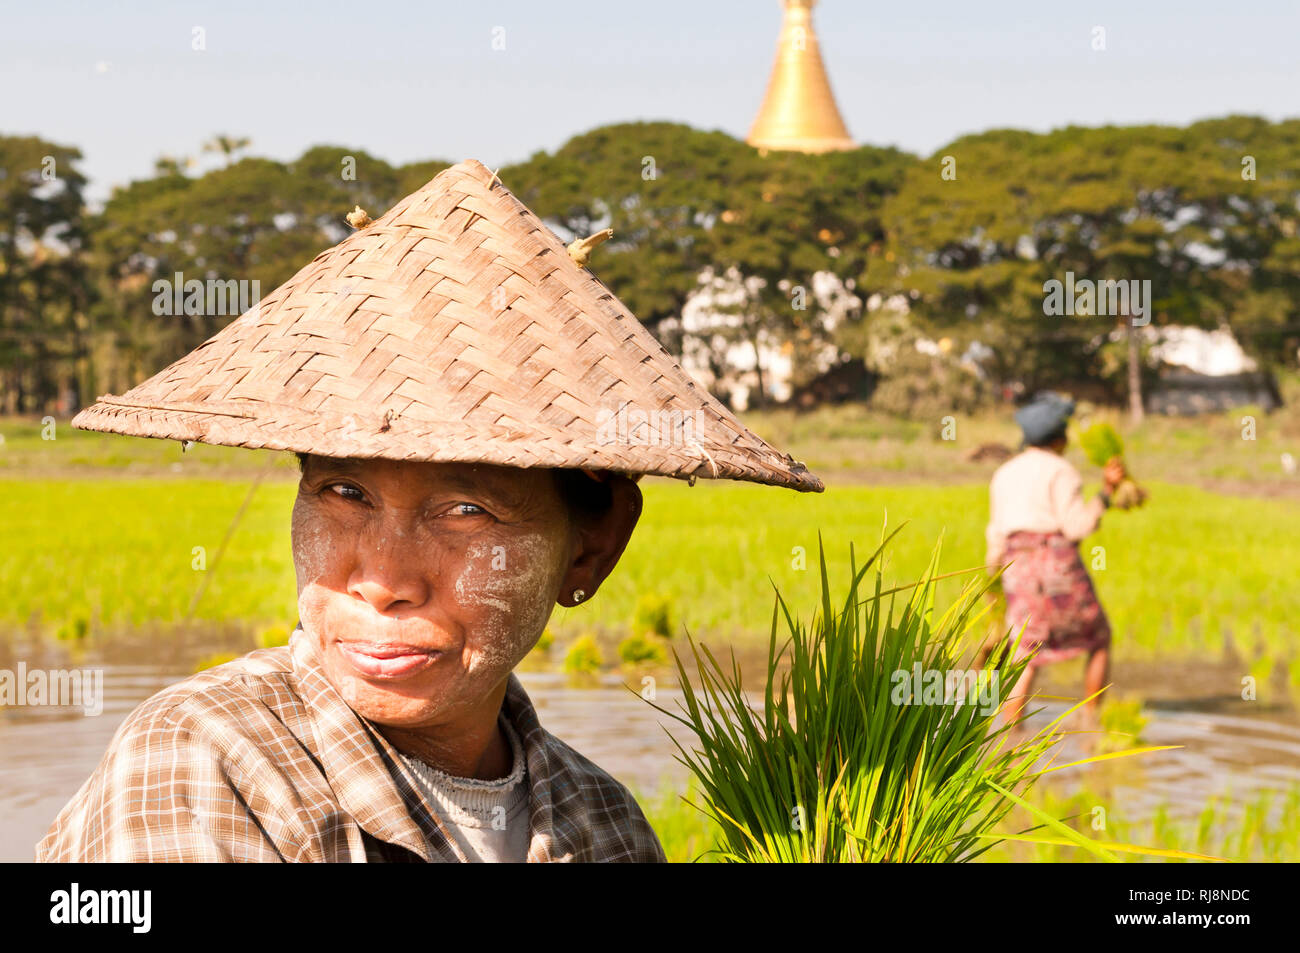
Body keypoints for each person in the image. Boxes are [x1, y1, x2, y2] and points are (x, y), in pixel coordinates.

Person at [36, 159, 823, 863]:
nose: (380, 579)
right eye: (345, 493)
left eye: (465, 509)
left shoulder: (603, 825)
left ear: (593, 549)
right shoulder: (213, 759)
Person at [982, 392, 1125, 730]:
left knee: (1026, 649)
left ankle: (1010, 734)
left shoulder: (1004, 473)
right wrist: (1105, 494)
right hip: (1055, 564)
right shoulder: (1063, 471)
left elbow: (996, 534)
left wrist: (993, 583)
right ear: (1059, 439)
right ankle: (1092, 723)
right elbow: (1076, 526)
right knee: (1099, 637)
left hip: (1015, 567)